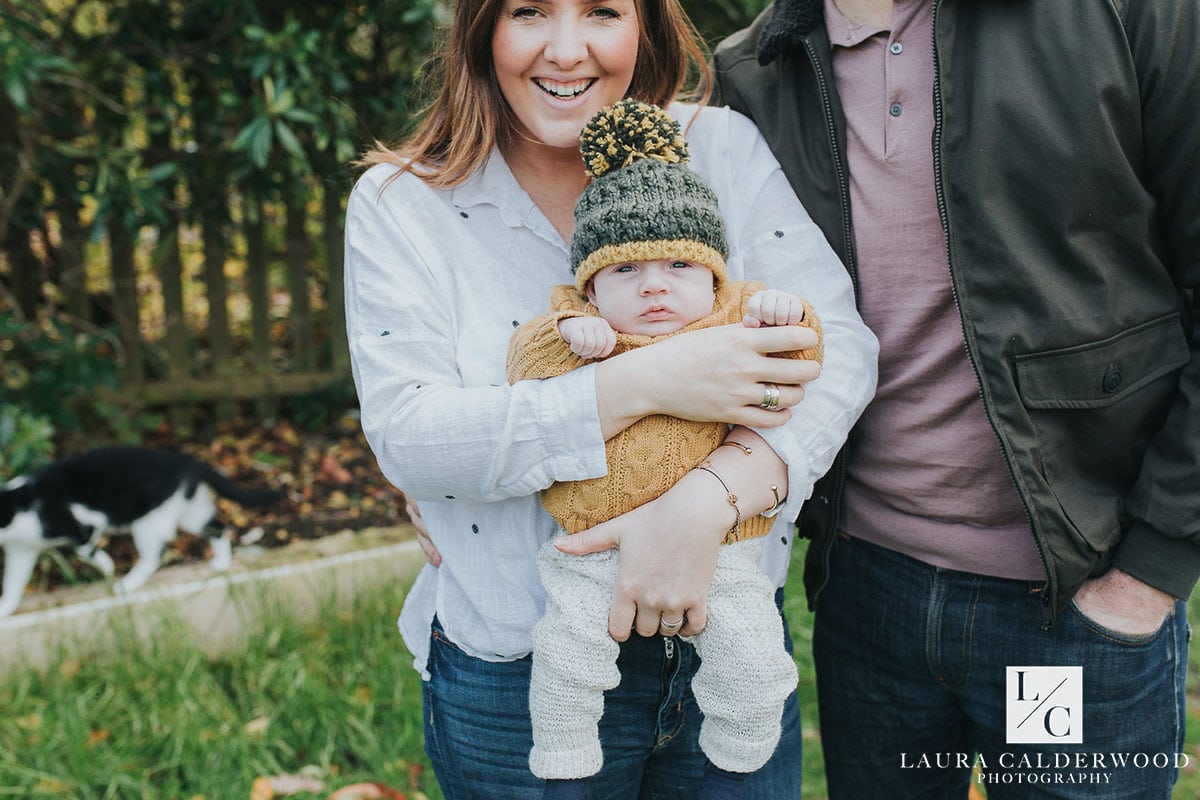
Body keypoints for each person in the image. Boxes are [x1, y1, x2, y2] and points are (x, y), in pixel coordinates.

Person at [343, 1, 878, 797]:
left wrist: (709, 499)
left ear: (645, 25)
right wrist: (649, 381)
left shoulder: (718, 150)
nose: (567, 50)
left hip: (727, 653)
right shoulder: (405, 204)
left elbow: (836, 351)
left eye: (601, 10)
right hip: (519, 678)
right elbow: (414, 435)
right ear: (481, 27)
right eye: (529, 11)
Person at [713, 1, 1199, 797]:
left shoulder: (1120, 12)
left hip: (1069, 608)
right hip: (866, 603)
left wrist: (1148, 574)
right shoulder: (758, 68)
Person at [508, 99, 823, 800]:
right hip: (593, 542)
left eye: (681, 263)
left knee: (749, 645)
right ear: (590, 283)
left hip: (721, 542)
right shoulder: (575, 325)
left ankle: (744, 740)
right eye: (625, 271)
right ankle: (564, 743)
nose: (655, 285)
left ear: (715, 274)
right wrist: (579, 338)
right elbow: (526, 366)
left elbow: (809, 345)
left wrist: (785, 313)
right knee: (567, 650)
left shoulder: (737, 311)